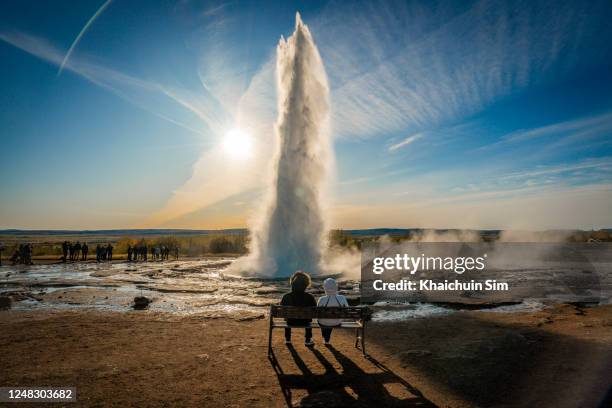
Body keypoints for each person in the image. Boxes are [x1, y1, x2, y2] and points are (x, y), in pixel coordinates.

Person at [280, 271, 316, 347]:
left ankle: (288, 339)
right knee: (308, 317)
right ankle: (308, 339)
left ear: (292, 283)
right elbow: (315, 311)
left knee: (288, 316)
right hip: (305, 322)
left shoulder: (286, 296)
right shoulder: (310, 297)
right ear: (306, 284)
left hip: (291, 322)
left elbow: (282, 309)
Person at [317, 278, 349, 345]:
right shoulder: (342, 297)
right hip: (337, 322)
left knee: (324, 320)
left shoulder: (322, 299)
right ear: (336, 287)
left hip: (323, 322)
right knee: (331, 319)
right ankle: (326, 339)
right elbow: (347, 309)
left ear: (325, 288)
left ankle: (325, 337)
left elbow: (317, 312)